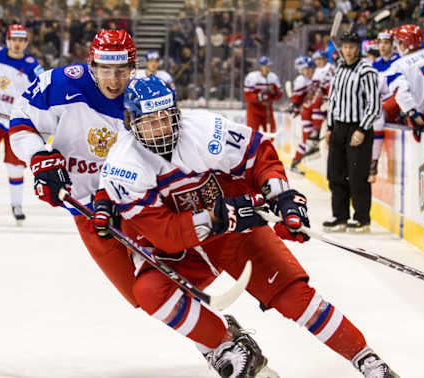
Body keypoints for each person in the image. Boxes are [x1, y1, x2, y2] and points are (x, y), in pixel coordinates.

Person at [98, 75, 399, 378]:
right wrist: (215, 218)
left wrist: (281, 197)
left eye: (166, 117)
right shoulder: (123, 165)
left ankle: (367, 360)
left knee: (294, 296)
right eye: (150, 121)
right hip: (184, 250)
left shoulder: (204, 129)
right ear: (130, 121)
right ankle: (226, 345)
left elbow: (258, 156)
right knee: (150, 291)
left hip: (237, 234)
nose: (161, 128)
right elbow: (164, 233)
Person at [9, 29, 141, 308]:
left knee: (167, 281)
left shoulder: (146, 99)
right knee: (138, 294)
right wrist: (38, 158)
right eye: (105, 70)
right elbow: (22, 119)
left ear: (133, 67)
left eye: (122, 70)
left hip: (136, 201)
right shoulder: (59, 84)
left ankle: (219, 342)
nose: (114, 80)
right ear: (92, 66)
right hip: (84, 207)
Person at [0, 24, 43, 223]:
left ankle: (16, 205)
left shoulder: (33, 66)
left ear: (26, 42)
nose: (17, 44)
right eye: (13, 39)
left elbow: (41, 94)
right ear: (7, 40)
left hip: (13, 121)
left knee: (15, 166)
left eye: (21, 40)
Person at [323, 32, 381, 232]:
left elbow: (374, 104)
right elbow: (333, 100)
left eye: (352, 47)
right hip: (339, 127)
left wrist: (362, 129)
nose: (348, 51)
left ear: (358, 48)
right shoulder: (339, 69)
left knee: (357, 175)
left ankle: (362, 218)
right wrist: (330, 127)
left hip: (358, 128)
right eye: (345, 47)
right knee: (335, 173)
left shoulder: (367, 71)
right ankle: (339, 216)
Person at [369, 30, 400, 183]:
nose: (382, 46)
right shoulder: (375, 64)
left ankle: (373, 163)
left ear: (392, 44)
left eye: (386, 42)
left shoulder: (398, 61)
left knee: (377, 118)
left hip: (395, 102)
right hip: (381, 102)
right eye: (380, 42)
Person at [288, 55, 317, 172]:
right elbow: (297, 99)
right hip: (306, 114)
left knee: (305, 140)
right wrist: (294, 106)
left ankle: (295, 162)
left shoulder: (314, 78)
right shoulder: (301, 80)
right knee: (306, 141)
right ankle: (295, 162)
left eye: (310, 68)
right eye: (306, 69)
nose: (309, 71)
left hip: (310, 112)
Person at [244, 56, 282, 136]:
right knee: (252, 133)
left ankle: (267, 148)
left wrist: (275, 93)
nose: (268, 68)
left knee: (271, 133)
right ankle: (253, 149)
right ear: (261, 67)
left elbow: (279, 94)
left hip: (267, 108)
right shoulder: (252, 77)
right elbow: (247, 95)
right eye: (266, 66)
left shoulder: (273, 77)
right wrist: (258, 97)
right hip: (254, 109)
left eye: (269, 66)